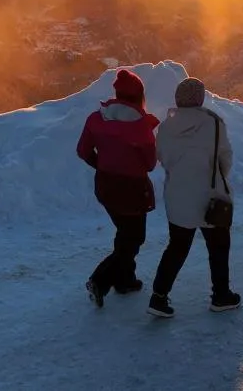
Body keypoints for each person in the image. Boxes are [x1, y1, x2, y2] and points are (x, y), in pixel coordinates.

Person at [147, 76, 241, 317]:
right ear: (200, 99)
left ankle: (158, 298)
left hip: (177, 195)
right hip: (211, 196)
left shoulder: (167, 126)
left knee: (177, 247)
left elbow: (163, 158)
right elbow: (225, 160)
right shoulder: (214, 122)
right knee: (219, 246)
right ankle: (221, 296)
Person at [76, 68, 160, 307]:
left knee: (125, 233)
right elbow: (150, 164)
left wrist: (102, 164)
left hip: (105, 186)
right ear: (139, 96)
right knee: (134, 238)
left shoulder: (97, 118)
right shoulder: (141, 127)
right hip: (132, 190)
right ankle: (100, 280)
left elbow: (83, 151)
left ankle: (125, 280)